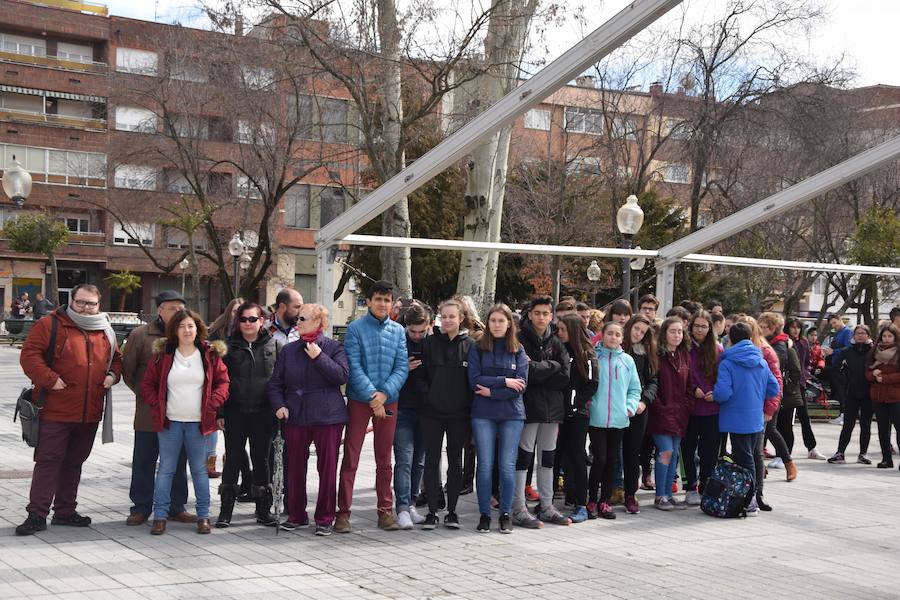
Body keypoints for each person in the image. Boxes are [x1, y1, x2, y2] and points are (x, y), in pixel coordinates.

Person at [15, 284, 122, 536]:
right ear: (71, 301)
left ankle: (64, 511)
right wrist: (50, 379)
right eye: (81, 302)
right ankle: (37, 514)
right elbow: (29, 356)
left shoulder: (104, 329)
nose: (85, 308)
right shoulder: (50, 324)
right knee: (48, 462)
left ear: (98, 305)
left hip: (90, 411)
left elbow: (116, 359)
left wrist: (112, 375)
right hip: (55, 409)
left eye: (91, 303)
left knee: (74, 462)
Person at [141, 309, 229, 535]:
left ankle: (203, 516)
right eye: (181, 326)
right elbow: (147, 384)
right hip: (170, 423)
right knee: (166, 469)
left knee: (199, 470)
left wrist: (213, 403)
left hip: (199, 424)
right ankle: (160, 517)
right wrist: (157, 404)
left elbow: (223, 382)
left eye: (190, 326)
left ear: (197, 328)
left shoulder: (209, 354)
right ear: (174, 330)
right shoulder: (163, 355)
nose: (187, 330)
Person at [269, 303, 349, 536]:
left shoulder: (333, 347)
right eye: (298, 318)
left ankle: (325, 518)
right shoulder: (288, 350)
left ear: (319, 322)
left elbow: (341, 376)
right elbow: (275, 383)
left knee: (327, 468)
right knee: (294, 467)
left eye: (303, 319)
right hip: (296, 415)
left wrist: (319, 357)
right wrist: (279, 405)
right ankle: (296, 515)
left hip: (328, 416)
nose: (298, 322)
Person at [336, 280, 408, 533]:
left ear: (392, 303)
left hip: (389, 400)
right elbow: (353, 366)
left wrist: (384, 394)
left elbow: (402, 367)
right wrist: (372, 396)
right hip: (359, 400)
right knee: (351, 457)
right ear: (368, 301)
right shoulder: (355, 329)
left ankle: (385, 511)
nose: (382, 304)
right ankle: (343, 513)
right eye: (378, 299)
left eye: (387, 300)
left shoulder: (398, 331)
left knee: (384, 459)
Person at [122, 290, 196, 527]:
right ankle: (141, 507)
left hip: (181, 412)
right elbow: (128, 371)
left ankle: (176, 506)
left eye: (181, 308)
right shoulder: (141, 335)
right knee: (144, 460)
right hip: (149, 412)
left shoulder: (188, 334)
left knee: (177, 462)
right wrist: (147, 396)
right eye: (173, 308)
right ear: (160, 310)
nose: (178, 312)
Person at [216, 302, 277, 529]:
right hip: (235, 412)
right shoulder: (227, 347)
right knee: (232, 459)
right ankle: (226, 511)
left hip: (264, 413)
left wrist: (279, 408)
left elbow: (280, 381)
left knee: (262, 460)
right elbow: (219, 383)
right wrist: (220, 412)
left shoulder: (275, 346)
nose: (248, 323)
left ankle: (263, 510)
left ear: (262, 321)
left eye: (252, 319)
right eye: (243, 319)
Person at [468, 303, 528, 534]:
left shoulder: (518, 350)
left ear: (509, 324)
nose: (496, 324)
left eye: (501, 320)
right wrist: (504, 381)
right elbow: (474, 380)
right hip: (483, 413)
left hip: (511, 414)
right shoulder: (478, 348)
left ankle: (505, 514)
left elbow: (520, 386)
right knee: (484, 465)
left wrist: (492, 391)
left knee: (507, 465)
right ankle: (484, 514)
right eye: (493, 320)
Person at [514, 295, 570, 528]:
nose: (541, 317)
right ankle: (518, 508)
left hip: (552, 410)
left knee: (548, 459)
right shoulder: (519, 339)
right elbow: (524, 373)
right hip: (528, 408)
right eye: (537, 313)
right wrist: (552, 367)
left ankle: (546, 506)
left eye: (545, 313)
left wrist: (539, 368)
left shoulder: (556, 341)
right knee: (523, 459)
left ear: (551, 316)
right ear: (530, 314)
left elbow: (565, 375)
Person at [713, 322, 780, 516]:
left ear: (731, 339)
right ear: (751, 337)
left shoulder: (728, 362)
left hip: (736, 419)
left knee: (745, 460)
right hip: (756, 418)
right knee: (752, 457)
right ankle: (754, 496)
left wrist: (714, 394)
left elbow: (723, 393)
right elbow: (773, 389)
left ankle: (750, 501)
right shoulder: (761, 361)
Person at [420, 299, 474, 530]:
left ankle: (452, 511)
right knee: (431, 462)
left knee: (455, 463)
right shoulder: (429, 343)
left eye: (452, 316)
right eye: (444, 316)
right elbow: (420, 377)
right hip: (432, 413)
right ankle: (432, 511)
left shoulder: (471, 346)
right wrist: (429, 397)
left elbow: (473, 382)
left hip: (459, 416)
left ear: (461, 318)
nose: (448, 320)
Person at [587, 322, 641, 520]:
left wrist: (629, 408)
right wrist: (589, 404)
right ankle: (592, 500)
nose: (613, 337)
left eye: (617, 334)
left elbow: (635, 389)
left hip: (619, 419)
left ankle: (605, 501)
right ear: (602, 335)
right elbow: (586, 383)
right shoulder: (594, 357)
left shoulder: (627, 361)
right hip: (597, 418)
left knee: (612, 461)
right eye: (609, 333)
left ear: (622, 338)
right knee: (599, 459)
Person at [737, 316, 784, 511]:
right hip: (739, 410)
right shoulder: (735, 351)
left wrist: (769, 409)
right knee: (743, 453)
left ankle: (757, 493)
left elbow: (776, 383)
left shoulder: (765, 351)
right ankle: (742, 491)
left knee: (756, 452)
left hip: (759, 411)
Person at [556, 314, 598, 523]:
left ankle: (582, 503)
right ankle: (552, 501)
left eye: (563, 329)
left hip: (578, 414)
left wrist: (575, 403)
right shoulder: (558, 350)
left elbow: (592, 385)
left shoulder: (586, 355)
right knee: (556, 457)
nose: (559, 333)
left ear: (573, 331)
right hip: (557, 414)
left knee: (578, 457)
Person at [647, 317, 692, 511]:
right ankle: (660, 496)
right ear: (664, 333)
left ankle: (669, 494)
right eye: (672, 331)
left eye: (680, 331)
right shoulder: (656, 355)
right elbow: (652, 383)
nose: (677, 335)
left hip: (680, 414)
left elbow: (689, 384)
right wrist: (660, 407)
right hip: (661, 413)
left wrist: (686, 405)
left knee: (673, 455)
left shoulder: (684, 356)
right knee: (665, 452)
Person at [393, 303, 431, 529]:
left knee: (419, 460)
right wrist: (403, 370)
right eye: (413, 331)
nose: (417, 336)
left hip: (425, 410)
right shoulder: (398, 341)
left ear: (429, 326)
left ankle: (412, 503)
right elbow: (387, 372)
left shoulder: (432, 343)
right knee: (404, 460)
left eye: (421, 331)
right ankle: (402, 507)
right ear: (406, 327)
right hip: (402, 408)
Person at [682, 310, 722, 505]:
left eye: (704, 326)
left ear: (710, 328)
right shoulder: (684, 347)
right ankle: (690, 486)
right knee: (687, 449)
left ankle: (705, 485)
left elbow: (724, 376)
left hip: (712, 408)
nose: (699, 330)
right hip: (689, 407)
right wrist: (692, 389)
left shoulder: (718, 349)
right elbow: (680, 376)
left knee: (710, 451)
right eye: (696, 326)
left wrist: (716, 392)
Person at [757, 312, 800, 481]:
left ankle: (788, 462)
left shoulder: (778, 345)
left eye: (765, 327)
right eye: (760, 326)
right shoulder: (765, 342)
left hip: (772, 393)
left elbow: (775, 367)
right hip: (760, 393)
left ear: (773, 328)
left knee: (770, 430)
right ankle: (760, 467)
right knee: (760, 432)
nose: (761, 329)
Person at [622, 315, 658, 514]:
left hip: (638, 408)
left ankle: (630, 494)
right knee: (608, 454)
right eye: (636, 329)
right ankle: (606, 494)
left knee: (632, 453)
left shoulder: (646, 352)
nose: (638, 334)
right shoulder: (616, 346)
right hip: (614, 407)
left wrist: (644, 401)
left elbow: (652, 381)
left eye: (642, 332)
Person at [205, 298, 244, 480]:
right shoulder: (218, 331)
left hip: (237, 384)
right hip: (217, 382)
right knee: (214, 425)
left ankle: (230, 461)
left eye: (241, 310)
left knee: (234, 432)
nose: (238, 314)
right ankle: (210, 460)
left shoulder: (246, 331)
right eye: (235, 310)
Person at [828, 324, 874, 465]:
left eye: (863, 333)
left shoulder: (873, 351)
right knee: (848, 424)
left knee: (866, 425)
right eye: (858, 333)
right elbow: (836, 369)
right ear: (853, 336)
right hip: (851, 393)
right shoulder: (847, 351)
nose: (860, 335)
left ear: (868, 335)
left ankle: (863, 454)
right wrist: (845, 382)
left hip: (868, 393)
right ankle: (840, 453)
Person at [786, 319, 826, 459]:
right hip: (788, 385)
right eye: (792, 327)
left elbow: (807, 362)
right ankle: (784, 451)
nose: (795, 330)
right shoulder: (785, 342)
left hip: (801, 383)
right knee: (786, 420)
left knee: (804, 416)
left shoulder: (803, 342)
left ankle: (811, 447)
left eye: (798, 327)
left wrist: (805, 375)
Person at [866, 324, 900, 469]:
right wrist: (872, 375)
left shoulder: (898, 351)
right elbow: (867, 372)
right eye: (884, 336)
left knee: (899, 427)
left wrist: (885, 378)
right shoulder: (874, 351)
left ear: (895, 337)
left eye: (889, 336)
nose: (886, 339)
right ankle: (886, 459)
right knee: (883, 429)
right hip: (878, 396)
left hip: (896, 396)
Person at [823, 314, 852, 425]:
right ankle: (842, 414)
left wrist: (833, 351)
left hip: (842, 367)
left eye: (835, 323)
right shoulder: (838, 333)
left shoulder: (847, 332)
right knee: (838, 391)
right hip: (835, 364)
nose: (833, 326)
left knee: (842, 391)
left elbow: (848, 348)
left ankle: (845, 415)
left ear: (840, 320)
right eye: (832, 324)